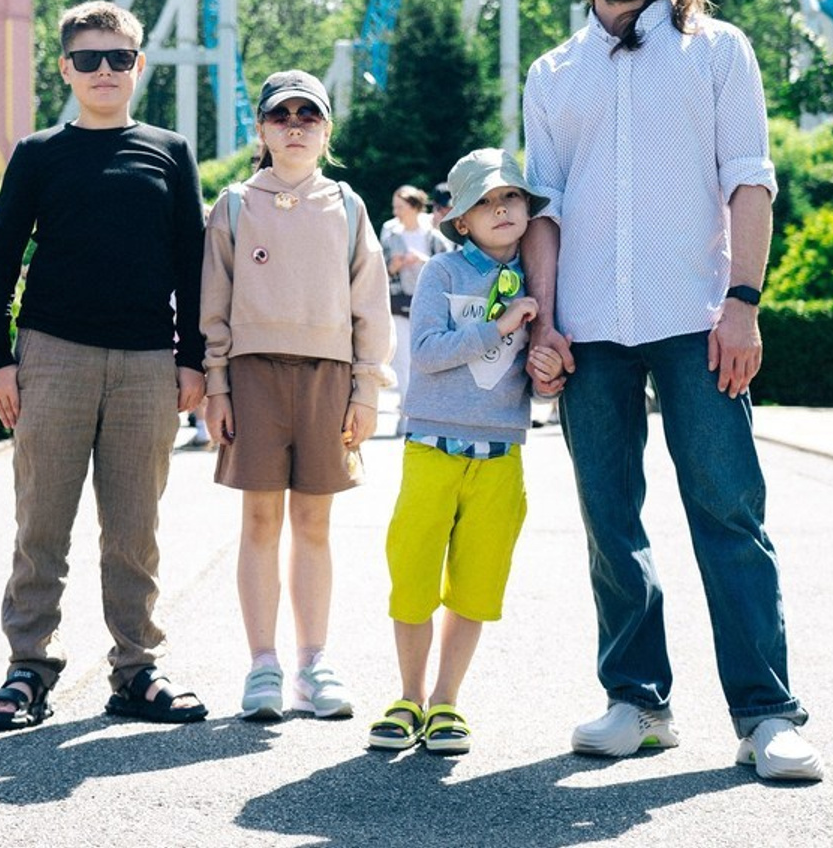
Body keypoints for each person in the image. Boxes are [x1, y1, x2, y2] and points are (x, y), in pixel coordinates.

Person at [522, 0, 823, 782]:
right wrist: (545, 323)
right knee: (610, 520)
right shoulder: (552, 74)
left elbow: (750, 180)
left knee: (728, 511)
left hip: (698, 320)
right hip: (588, 327)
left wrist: (744, 303)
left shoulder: (718, 50)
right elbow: (545, 208)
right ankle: (639, 704)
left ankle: (766, 715)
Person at [0, 0, 208, 731]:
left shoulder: (170, 152)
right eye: (87, 58)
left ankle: (138, 669)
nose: (103, 70)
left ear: (139, 65)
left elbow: (193, 263)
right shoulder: (38, 153)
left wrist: (193, 360)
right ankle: (28, 668)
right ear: (65, 69)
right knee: (41, 523)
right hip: (53, 355)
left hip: (147, 361)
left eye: (118, 58)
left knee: (135, 529)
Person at [202, 69, 392, 722]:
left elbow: (370, 304)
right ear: (261, 129)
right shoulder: (234, 205)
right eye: (280, 116)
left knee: (314, 523)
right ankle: (263, 664)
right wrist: (218, 385)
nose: (293, 127)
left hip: (327, 377)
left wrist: (366, 390)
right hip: (252, 375)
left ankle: (314, 664)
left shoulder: (348, 206)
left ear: (326, 130)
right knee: (259, 521)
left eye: (307, 115)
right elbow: (213, 305)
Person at [368, 148, 563, 755]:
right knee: (414, 577)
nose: (501, 209)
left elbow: (534, 377)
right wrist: (499, 326)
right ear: (462, 219)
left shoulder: (541, 283)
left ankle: (446, 701)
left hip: (501, 454)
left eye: (511, 197)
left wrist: (548, 372)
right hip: (432, 446)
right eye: (485, 201)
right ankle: (408, 696)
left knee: (477, 585)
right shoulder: (443, 273)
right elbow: (425, 352)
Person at [381, 185, 448, 401]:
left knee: (427, 356)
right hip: (399, 303)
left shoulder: (433, 236)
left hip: (429, 304)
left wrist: (422, 259)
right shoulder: (390, 235)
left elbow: (448, 268)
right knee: (401, 358)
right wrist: (394, 266)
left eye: (399, 207)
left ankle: (427, 403)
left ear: (413, 207)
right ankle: (406, 407)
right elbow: (380, 271)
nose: (396, 212)